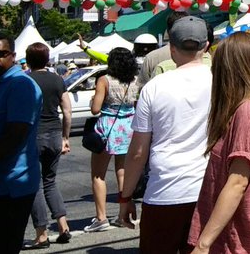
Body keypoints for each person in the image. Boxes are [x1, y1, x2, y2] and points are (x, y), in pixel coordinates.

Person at [118, 16, 213, 254]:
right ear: (206, 47)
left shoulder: (155, 87)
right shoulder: (221, 82)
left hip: (164, 190)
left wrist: (126, 196)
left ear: (171, 48)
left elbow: (138, 152)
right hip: (208, 190)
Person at [188, 32, 250, 254]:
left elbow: (238, 182)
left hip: (239, 238)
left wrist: (203, 243)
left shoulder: (248, 111)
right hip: (248, 233)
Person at [0, 31, 41, 254]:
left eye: (0, 53)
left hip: (8, 188)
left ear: (13, 56)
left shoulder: (20, 85)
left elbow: (15, 136)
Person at [85, 46, 141, 233]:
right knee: (123, 171)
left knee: (98, 174)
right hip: (129, 127)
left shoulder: (104, 80)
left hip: (108, 127)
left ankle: (101, 218)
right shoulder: (135, 80)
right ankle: (122, 214)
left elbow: (95, 109)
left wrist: (94, 98)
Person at [25, 42, 73, 247]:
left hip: (33, 136)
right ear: (47, 59)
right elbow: (68, 111)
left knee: (34, 185)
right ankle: (63, 227)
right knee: (50, 182)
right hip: (54, 134)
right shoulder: (57, 79)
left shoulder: (25, 80)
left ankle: (42, 234)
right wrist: (65, 137)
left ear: (28, 60)